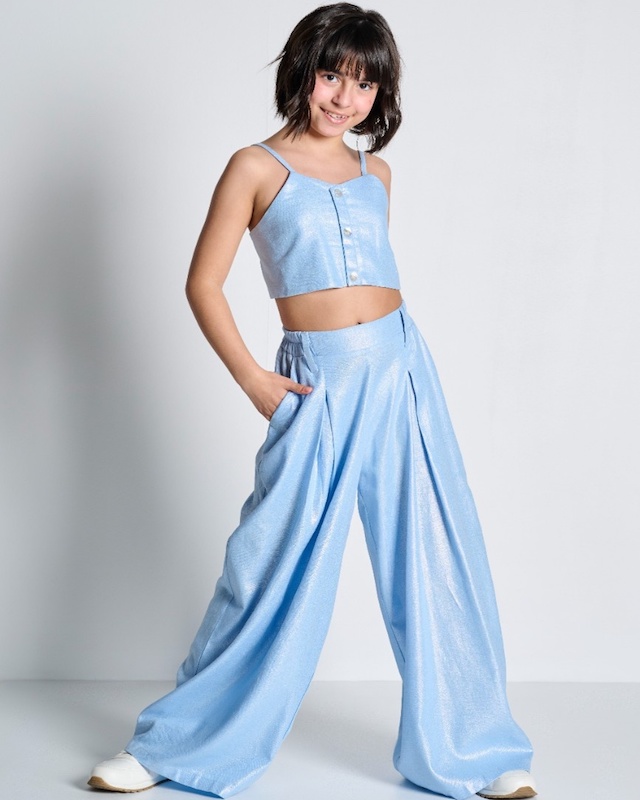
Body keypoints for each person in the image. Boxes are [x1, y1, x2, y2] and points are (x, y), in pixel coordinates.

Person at [88, 4, 537, 799]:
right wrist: (253, 378)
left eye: (365, 85)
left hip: (400, 371)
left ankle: (475, 750)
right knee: (269, 561)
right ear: (303, 71)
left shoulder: (377, 175)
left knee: (435, 551)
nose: (345, 98)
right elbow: (203, 283)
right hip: (316, 382)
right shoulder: (255, 167)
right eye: (333, 75)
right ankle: (175, 747)